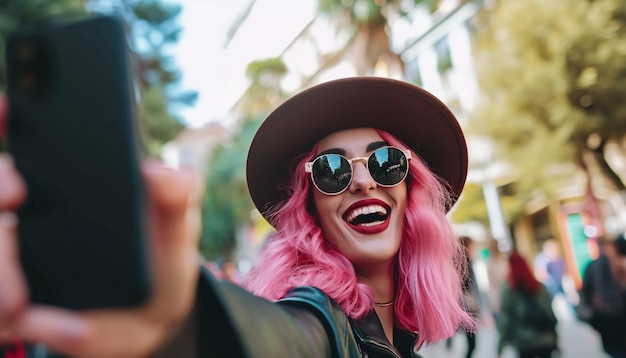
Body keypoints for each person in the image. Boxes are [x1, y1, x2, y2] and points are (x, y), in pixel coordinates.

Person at [0, 77, 475, 357]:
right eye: (330, 170)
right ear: (310, 207)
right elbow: (271, 337)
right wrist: (177, 322)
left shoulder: (402, 329)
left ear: (409, 184)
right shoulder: (317, 318)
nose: (363, 182)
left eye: (384, 162)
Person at [497, 251, 559, 358]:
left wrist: (500, 347)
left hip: (524, 341)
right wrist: (556, 341)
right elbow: (550, 315)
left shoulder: (508, 290)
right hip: (545, 338)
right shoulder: (540, 287)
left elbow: (506, 320)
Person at [579, 235, 626, 358]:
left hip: (605, 317)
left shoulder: (592, 266)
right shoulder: (619, 263)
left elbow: (585, 294)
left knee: (613, 347)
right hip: (619, 315)